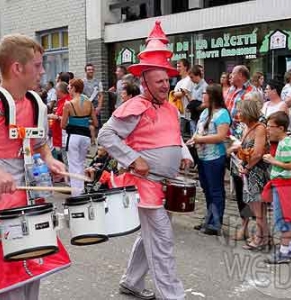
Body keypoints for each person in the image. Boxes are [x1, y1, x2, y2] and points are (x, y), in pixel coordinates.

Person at [98, 21, 193, 300]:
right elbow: (106, 135)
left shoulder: (170, 109)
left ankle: (132, 282)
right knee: (162, 239)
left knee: (150, 236)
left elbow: (176, 138)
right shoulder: (134, 106)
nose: (166, 85)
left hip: (167, 184)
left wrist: (184, 155)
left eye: (167, 80)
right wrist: (133, 158)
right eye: (160, 81)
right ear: (145, 83)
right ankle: (172, 295)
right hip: (146, 185)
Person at [0, 34, 70, 299]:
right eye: (38, 65)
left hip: (31, 201)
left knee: (34, 273)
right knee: (10, 281)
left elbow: (39, 144)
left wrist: (51, 160)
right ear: (17, 68)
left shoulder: (35, 103)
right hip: (4, 206)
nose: (43, 72)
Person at [188, 84, 231, 235]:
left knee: (216, 190)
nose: (203, 96)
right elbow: (199, 130)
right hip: (202, 156)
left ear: (213, 96)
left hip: (214, 157)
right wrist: (194, 139)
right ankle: (209, 217)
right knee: (206, 189)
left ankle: (216, 222)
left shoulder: (223, 114)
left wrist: (201, 139)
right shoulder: (205, 112)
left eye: (205, 93)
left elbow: (220, 136)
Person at [262, 111, 291, 263]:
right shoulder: (283, 143)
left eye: (271, 126)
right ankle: (290, 247)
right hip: (280, 184)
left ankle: (284, 251)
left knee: (283, 217)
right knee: (286, 216)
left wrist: (272, 161)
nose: (268, 129)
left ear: (281, 128)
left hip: (284, 185)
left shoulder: (286, 144)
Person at [225, 65, 256, 240]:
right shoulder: (230, 90)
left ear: (242, 75)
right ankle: (244, 223)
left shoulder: (251, 92)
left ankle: (255, 227)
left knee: (250, 189)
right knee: (238, 185)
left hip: (248, 144)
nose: (231, 76)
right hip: (233, 142)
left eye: (234, 73)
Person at [235, 99, 270, 250]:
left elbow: (258, 153)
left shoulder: (259, 128)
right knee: (255, 207)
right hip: (248, 172)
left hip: (256, 172)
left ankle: (260, 239)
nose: (238, 114)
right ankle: (263, 238)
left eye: (240, 111)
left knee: (258, 208)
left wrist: (247, 167)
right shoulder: (246, 128)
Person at [61, 78, 98, 196]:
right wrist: (85, 121)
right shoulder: (89, 102)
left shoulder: (68, 104)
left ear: (73, 88)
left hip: (73, 137)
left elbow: (62, 125)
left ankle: (76, 193)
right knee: (81, 163)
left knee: (73, 165)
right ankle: (81, 190)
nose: (68, 90)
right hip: (85, 137)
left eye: (69, 87)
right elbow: (96, 123)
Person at [82, 63, 104, 143]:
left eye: (92, 69)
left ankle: (97, 143)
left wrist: (99, 106)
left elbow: (101, 95)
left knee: (97, 125)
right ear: (85, 71)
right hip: (85, 106)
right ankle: (90, 142)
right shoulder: (82, 82)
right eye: (88, 70)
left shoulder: (98, 82)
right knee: (87, 125)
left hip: (95, 105)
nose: (90, 71)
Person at [173, 58, 194, 136]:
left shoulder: (188, 80)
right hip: (180, 113)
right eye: (177, 67)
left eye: (179, 66)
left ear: (185, 67)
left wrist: (174, 94)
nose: (177, 69)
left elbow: (180, 94)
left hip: (187, 114)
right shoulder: (179, 82)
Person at [188, 65, 208, 134]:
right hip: (194, 116)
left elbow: (205, 103)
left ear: (197, 76)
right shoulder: (194, 86)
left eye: (192, 77)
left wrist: (196, 108)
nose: (191, 79)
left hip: (200, 116)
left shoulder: (204, 86)